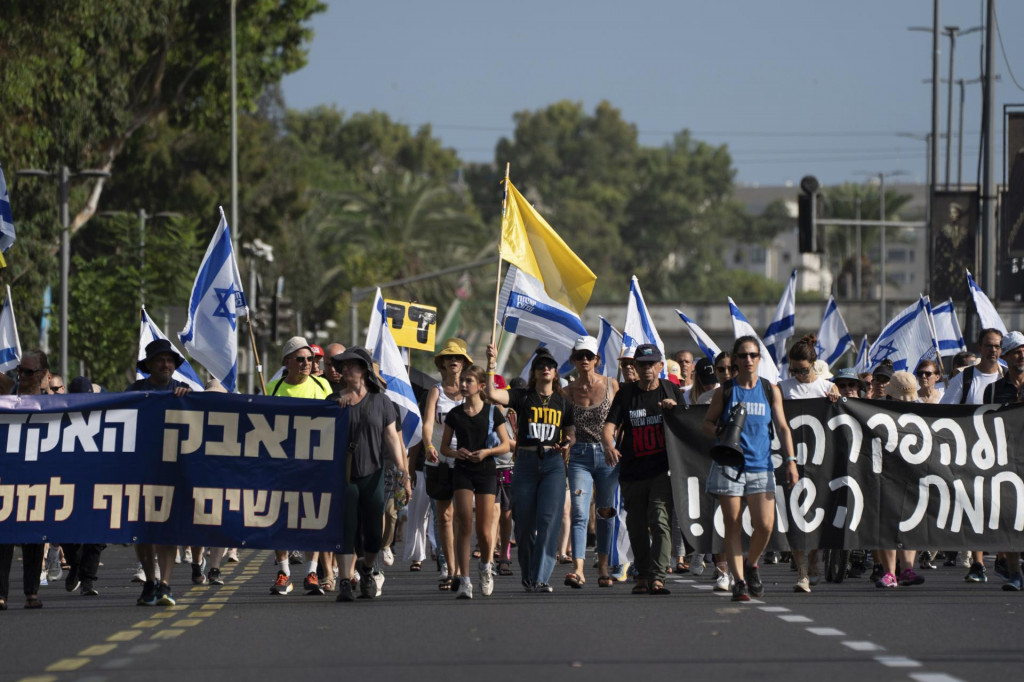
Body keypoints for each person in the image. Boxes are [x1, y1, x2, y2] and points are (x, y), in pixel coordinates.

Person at [702, 337, 798, 602]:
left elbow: (782, 428)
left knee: (765, 525)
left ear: (759, 358)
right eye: (743, 356)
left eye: (753, 355)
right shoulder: (726, 390)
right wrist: (721, 429)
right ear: (735, 359)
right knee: (732, 525)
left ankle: (751, 564)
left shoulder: (770, 390)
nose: (748, 360)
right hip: (729, 465)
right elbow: (707, 423)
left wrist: (791, 460)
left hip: (761, 466)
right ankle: (739, 582)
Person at [484, 345, 575, 593]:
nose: (545, 368)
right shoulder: (522, 396)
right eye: (540, 366)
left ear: (555, 373)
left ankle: (542, 577)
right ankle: (529, 573)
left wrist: (567, 443)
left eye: (549, 366)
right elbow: (491, 394)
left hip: (553, 464)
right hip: (525, 463)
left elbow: (570, 434)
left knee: (548, 520)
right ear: (534, 372)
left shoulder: (564, 403)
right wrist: (491, 363)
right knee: (523, 523)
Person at [331, 346, 411, 602]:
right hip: (344, 477)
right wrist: (336, 411)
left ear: (364, 370)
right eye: (342, 366)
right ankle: (344, 581)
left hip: (374, 475)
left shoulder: (381, 401)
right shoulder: (333, 401)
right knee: (346, 529)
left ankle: (366, 570)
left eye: (350, 365)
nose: (344, 369)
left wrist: (403, 472)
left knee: (374, 534)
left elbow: (391, 438)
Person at [602, 344, 681, 596]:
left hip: (661, 470)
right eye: (642, 364)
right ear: (634, 367)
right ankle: (643, 574)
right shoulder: (625, 393)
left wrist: (675, 410)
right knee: (636, 527)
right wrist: (608, 445)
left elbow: (688, 426)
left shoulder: (672, 391)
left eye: (651, 364)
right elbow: (610, 425)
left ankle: (658, 576)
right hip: (632, 471)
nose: (647, 368)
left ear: (660, 366)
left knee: (659, 521)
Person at [127, 339, 192, 606]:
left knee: (168, 528)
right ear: (150, 365)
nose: (166, 364)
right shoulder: (134, 392)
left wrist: (188, 402)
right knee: (142, 530)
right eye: (160, 360)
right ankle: (150, 581)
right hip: (141, 470)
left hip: (172, 471)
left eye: (169, 360)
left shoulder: (184, 392)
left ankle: (165, 585)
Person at [264, 336, 331, 596]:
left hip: (314, 464)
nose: (306, 364)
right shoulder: (272, 387)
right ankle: (284, 573)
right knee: (280, 519)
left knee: (311, 517)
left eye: (310, 360)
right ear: (287, 362)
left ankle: (312, 572)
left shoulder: (322, 385)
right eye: (300, 359)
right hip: (281, 465)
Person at [441, 365, 511, 599]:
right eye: (462, 380)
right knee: (463, 523)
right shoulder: (455, 414)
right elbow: (444, 447)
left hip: (486, 471)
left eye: (468, 381)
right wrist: (456, 453)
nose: (463, 385)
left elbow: (505, 444)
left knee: (483, 529)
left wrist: (487, 453)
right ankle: (465, 580)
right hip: (462, 470)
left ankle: (485, 567)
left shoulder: (493, 412)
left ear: (481, 386)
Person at [941, 328, 1004, 583]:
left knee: (1003, 509)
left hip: (1003, 454)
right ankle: (977, 563)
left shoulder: (1008, 378)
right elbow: (944, 413)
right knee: (977, 509)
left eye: (998, 346)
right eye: (989, 346)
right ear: (980, 348)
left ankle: (1003, 556)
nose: (993, 351)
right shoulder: (966, 379)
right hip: (972, 455)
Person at [563, 336, 619, 589]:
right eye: (579, 356)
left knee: (605, 512)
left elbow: (620, 421)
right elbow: (563, 426)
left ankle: (604, 566)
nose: (584, 360)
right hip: (579, 457)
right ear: (573, 359)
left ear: (597, 359)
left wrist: (617, 447)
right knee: (578, 511)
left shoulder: (611, 385)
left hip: (607, 456)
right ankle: (578, 570)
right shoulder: (565, 392)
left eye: (589, 356)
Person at [0, 350, 51, 609]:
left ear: (42, 375)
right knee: (3, 535)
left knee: (34, 535)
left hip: (39, 478)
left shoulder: (58, 404)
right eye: (20, 370)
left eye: (29, 372)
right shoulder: (7, 398)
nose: (22, 376)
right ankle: (1, 594)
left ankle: (32, 592)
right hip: (7, 475)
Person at [422, 338, 471, 590]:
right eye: (449, 358)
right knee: (444, 516)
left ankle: (463, 569)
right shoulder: (436, 391)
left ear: (464, 364)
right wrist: (428, 444)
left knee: (463, 517)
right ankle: (450, 570)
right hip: (440, 460)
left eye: (458, 358)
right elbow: (428, 422)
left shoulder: (470, 393)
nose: (454, 361)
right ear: (442, 364)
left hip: (464, 462)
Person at [875, 371, 926, 588]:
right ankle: (889, 573)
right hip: (884, 472)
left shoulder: (922, 409)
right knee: (887, 523)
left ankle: (907, 569)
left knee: (910, 520)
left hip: (912, 472)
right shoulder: (875, 409)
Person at [982, 331, 1024, 591]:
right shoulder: (993, 390)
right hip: (1006, 463)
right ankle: (1014, 573)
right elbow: (984, 424)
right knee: (1010, 519)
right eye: (1016, 351)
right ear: (1007, 357)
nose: (1021, 355)